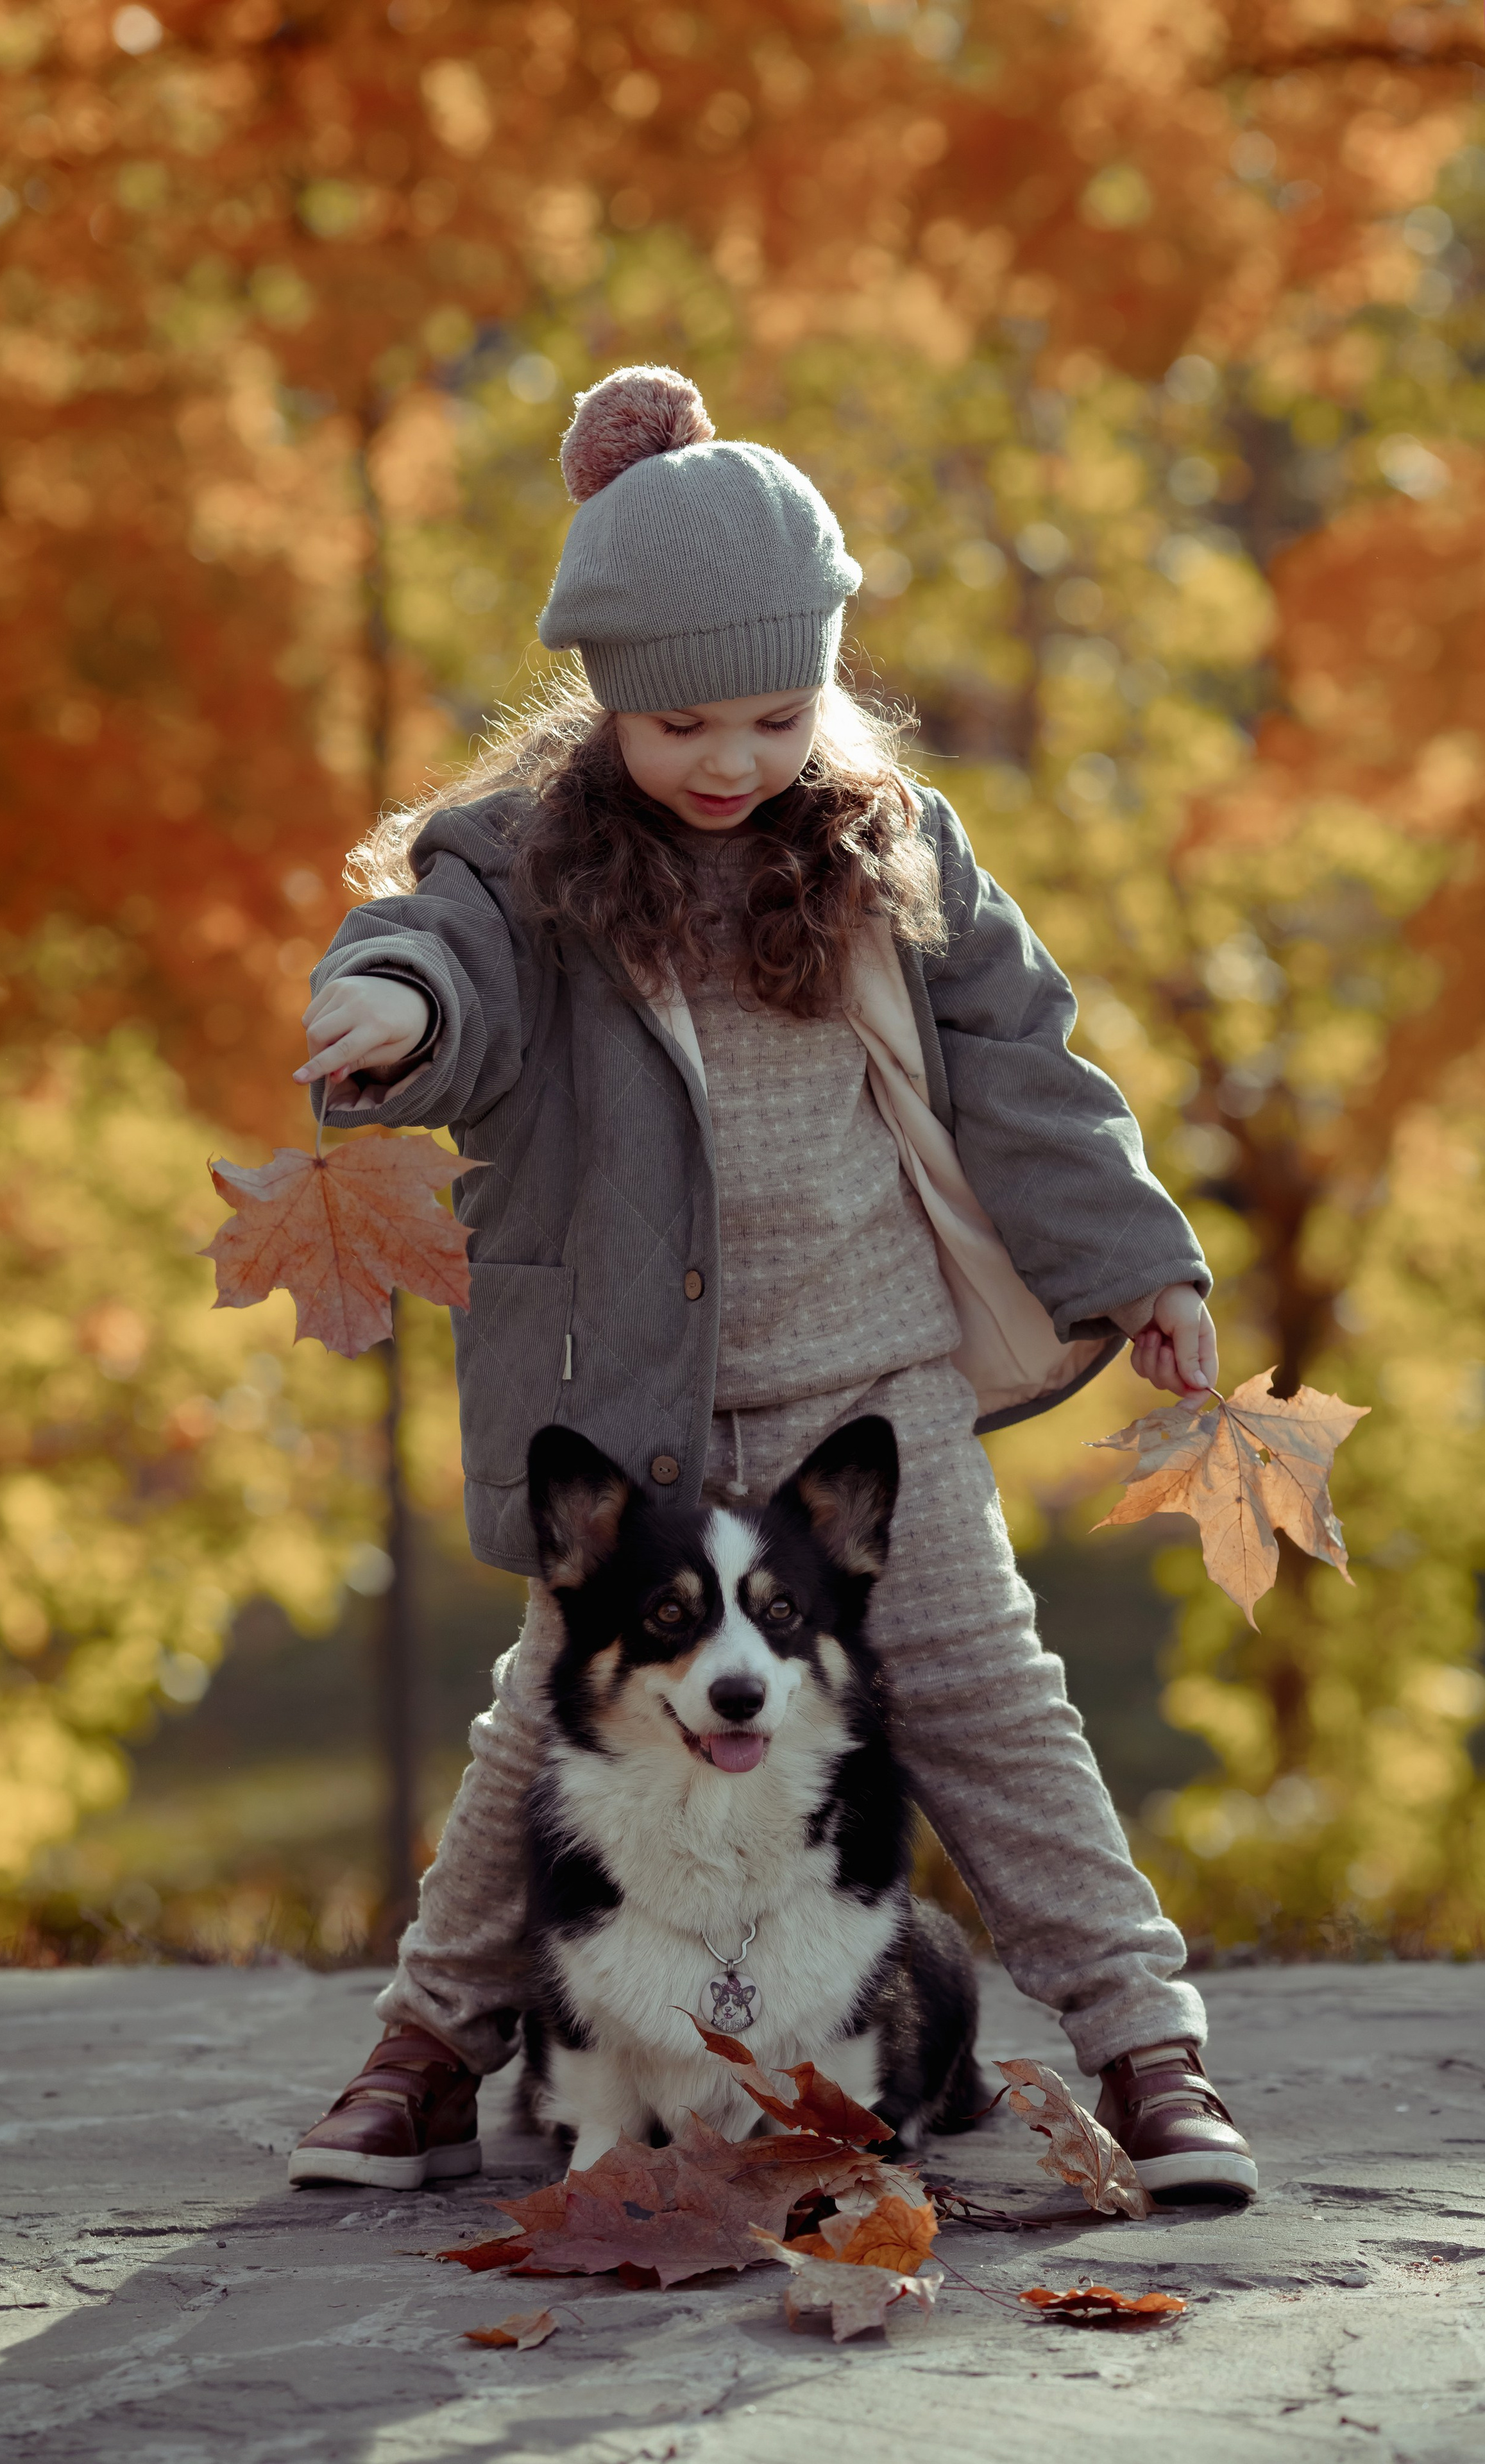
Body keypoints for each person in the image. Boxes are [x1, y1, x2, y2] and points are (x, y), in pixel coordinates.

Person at [285, 365, 1257, 2204]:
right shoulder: (522, 861)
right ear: (605, 699)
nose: (731, 760)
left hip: (872, 1379)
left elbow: (1028, 1068)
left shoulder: (897, 849)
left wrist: (1139, 1261)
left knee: (986, 1695)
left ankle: (1148, 2046)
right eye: (682, 724)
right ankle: (427, 2046)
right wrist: (397, 1008)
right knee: (548, 1731)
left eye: (774, 713)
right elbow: (444, 961)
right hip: (644, 1395)